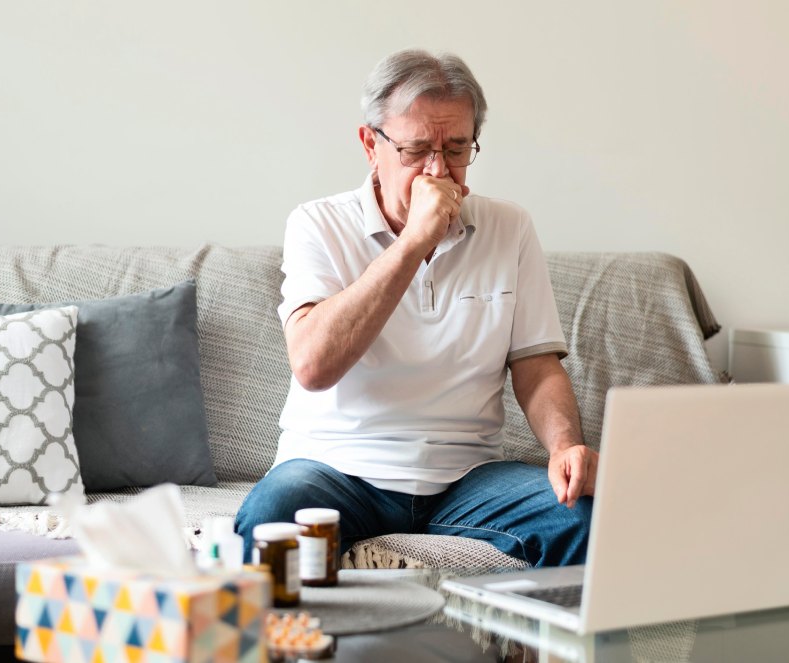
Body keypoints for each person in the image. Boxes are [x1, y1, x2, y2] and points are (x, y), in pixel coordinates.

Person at [235, 49, 598, 567]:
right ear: (370, 144)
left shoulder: (509, 227)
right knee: (273, 518)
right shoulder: (316, 224)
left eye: (456, 148)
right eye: (416, 150)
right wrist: (412, 243)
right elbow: (313, 365)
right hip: (336, 469)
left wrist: (565, 448)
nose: (439, 171)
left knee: (587, 516)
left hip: (467, 478)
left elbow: (536, 367)